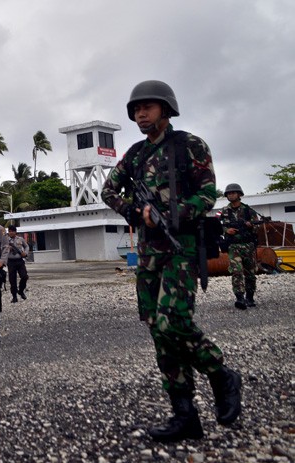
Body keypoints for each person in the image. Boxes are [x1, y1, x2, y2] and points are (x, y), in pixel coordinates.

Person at [101, 80, 242, 442]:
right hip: (149, 253)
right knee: (157, 330)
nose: (140, 115)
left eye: (147, 107)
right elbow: (108, 190)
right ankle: (184, 414)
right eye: (136, 109)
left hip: (182, 248)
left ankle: (220, 373)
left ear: (165, 109)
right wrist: (136, 212)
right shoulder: (135, 154)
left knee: (172, 323)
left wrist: (172, 214)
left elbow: (207, 194)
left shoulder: (189, 145)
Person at [220, 183, 262, 309]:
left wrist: (251, 226)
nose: (231, 195)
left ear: (239, 194)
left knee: (250, 273)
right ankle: (240, 298)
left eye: (233, 193)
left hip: (248, 246)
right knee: (236, 272)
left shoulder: (248, 210)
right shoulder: (223, 211)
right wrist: (226, 230)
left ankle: (250, 297)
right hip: (233, 246)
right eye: (228, 193)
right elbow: (216, 227)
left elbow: (258, 226)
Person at [6, 225, 29, 303]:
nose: (11, 233)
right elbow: (1, 249)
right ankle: (14, 297)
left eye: (12, 231)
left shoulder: (20, 239)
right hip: (11, 261)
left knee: (24, 276)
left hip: (19, 260)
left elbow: (26, 246)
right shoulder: (6, 240)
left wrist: (25, 253)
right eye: (9, 231)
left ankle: (21, 290)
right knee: (12, 280)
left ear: (15, 232)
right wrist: (7, 249)